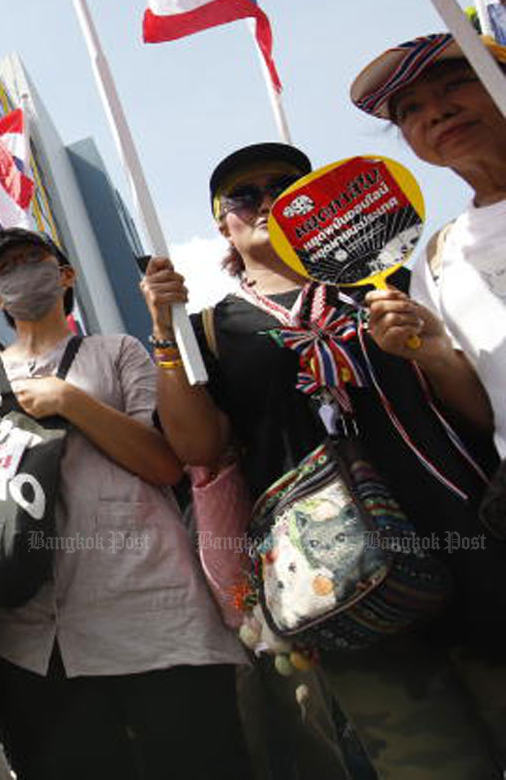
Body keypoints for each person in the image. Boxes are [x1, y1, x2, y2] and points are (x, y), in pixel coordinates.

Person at [142, 142, 506, 778]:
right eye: (244, 195)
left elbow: (479, 410)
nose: (266, 200)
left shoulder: (390, 278)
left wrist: (433, 351)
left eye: (284, 184)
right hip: (340, 581)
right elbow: (197, 449)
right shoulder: (207, 330)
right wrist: (164, 334)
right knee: (427, 762)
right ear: (221, 222)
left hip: (464, 535)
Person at [0, 227, 250, 780]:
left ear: (65, 276)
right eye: (5, 269)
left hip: (150, 617)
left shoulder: (117, 352)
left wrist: (71, 402)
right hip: (35, 640)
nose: (21, 272)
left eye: (34, 259)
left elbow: (163, 463)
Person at [348, 31, 506, 465]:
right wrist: (435, 353)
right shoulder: (438, 258)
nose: (436, 112)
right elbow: (482, 412)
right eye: (410, 109)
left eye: (454, 84)